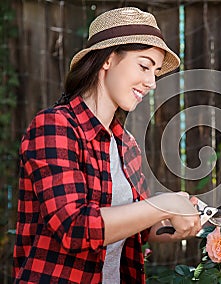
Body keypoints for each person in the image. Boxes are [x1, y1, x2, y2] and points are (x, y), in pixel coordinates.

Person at [13, 7, 202, 283]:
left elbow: (137, 228)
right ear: (108, 59)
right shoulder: (55, 127)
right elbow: (74, 228)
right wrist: (165, 204)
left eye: (156, 71)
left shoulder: (127, 146)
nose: (152, 82)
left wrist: (178, 219)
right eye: (144, 65)